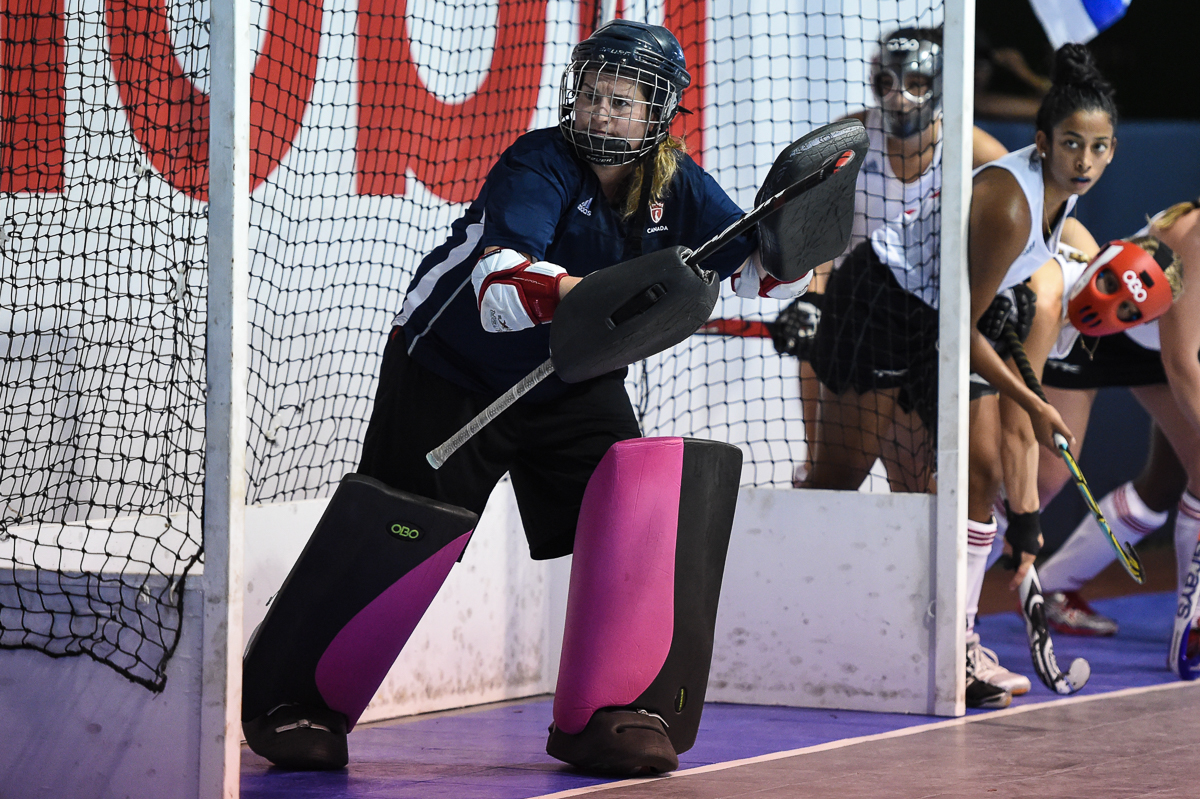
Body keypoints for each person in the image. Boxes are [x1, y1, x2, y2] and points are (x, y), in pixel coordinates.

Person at [239, 19, 813, 775]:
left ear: (656, 114)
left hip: (574, 381)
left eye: (621, 101)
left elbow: (752, 271)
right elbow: (498, 286)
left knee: (631, 522)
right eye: (593, 95)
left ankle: (611, 711)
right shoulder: (538, 163)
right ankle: (292, 695)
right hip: (451, 373)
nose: (601, 113)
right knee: (397, 528)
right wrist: (604, 292)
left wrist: (793, 244)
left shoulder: (678, 183)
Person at [964, 43, 1119, 706]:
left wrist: (1026, 533)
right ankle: (959, 646)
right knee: (973, 472)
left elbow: (1021, 418)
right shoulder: (1012, 206)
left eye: (1099, 147)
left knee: (997, 479)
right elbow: (958, 331)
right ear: (1042, 141)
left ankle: (973, 624)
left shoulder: (1062, 201)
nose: (1084, 161)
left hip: (970, 325)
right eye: (1071, 144)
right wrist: (1036, 400)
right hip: (905, 313)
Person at [786, 26, 1007, 493]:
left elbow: (1037, 221)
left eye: (918, 84)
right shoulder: (847, 142)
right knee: (826, 478)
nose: (901, 98)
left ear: (941, 85)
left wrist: (1079, 255)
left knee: (918, 485)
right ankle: (812, 467)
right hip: (850, 319)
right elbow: (818, 243)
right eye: (887, 83)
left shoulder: (975, 151)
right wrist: (813, 303)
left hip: (924, 327)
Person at [1021, 200, 1197, 663]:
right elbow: (1182, 366)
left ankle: (1056, 589)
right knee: (1044, 479)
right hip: (1107, 325)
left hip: (1162, 348)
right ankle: (956, 600)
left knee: (1170, 480)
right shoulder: (1196, 238)